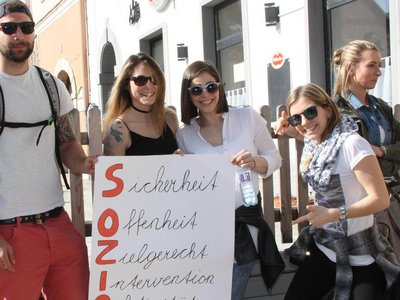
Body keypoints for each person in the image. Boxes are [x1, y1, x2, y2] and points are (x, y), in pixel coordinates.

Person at [0, 1, 97, 299]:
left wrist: (84, 163)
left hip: (59, 223)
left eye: (26, 28)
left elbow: (66, 142)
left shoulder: (52, 86)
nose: (19, 35)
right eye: (9, 28)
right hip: (10, 234)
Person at [176, 60, 283, 300]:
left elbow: (275, 158)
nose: (205, 95)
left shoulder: (247, 117)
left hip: (244, 228)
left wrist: (255, 162)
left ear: (220, 88)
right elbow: (187, 189)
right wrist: (178, 167)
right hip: (207, 234)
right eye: (196, 90)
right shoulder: (185, 135)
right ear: (189, 95)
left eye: (211, 87)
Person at [281, 83, 399, 300]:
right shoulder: (315, 143)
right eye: (296, 118)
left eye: (310, 112)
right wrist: (290, 130)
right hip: (325, 248)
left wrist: (334, 214)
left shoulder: (353, 144)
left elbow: (381, 199)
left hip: (362, 256)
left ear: (327, 108)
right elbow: (312, 135)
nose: (305, 122)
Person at [103, 52, 178, 156]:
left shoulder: (170, 118)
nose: (149, 85)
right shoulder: (118, 130)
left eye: (155, 79)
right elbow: (113, 171)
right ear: (126, 84)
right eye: (140, 80)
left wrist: (180, 159)